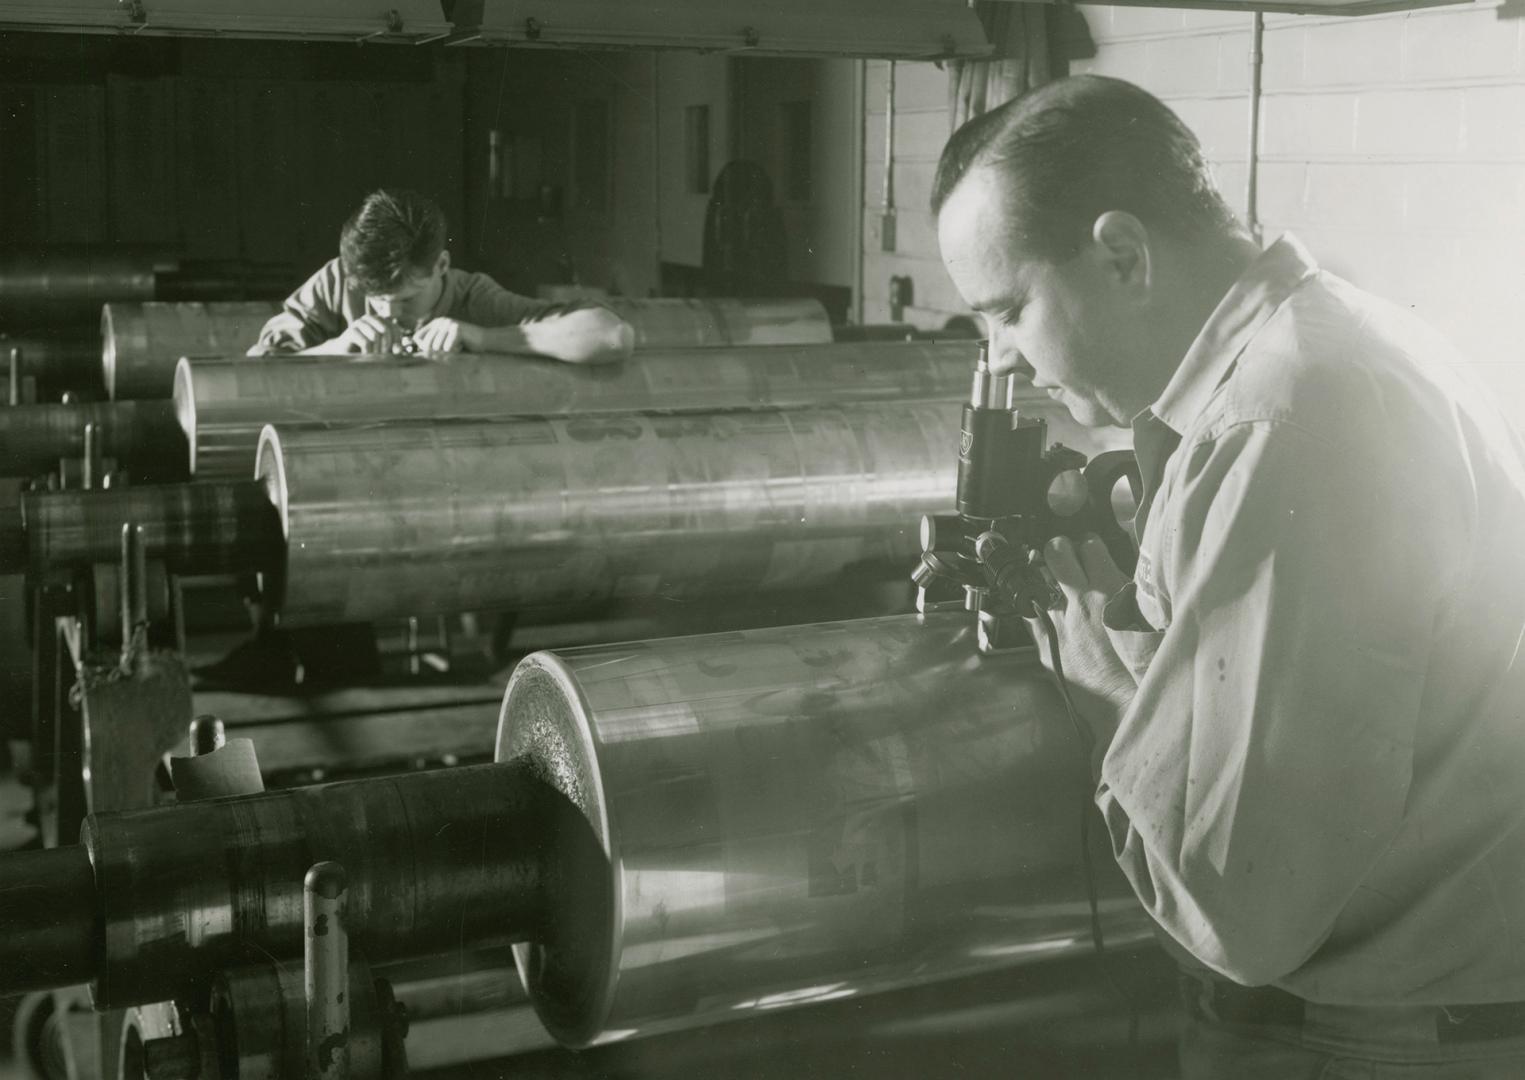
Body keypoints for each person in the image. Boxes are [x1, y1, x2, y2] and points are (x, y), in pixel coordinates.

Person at [933, 74, 1525, 1077]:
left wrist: (1091, 660)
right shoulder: (1324, 348)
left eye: (1009, 312)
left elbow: (1243, 904)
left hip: (1371, 1044)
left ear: (1122, 253)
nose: (1007, 357)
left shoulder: (1280, 420)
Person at [249, 188, 633, 362]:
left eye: (406, 300)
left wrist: (479, 337)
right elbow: (255, 372)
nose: (388, 317)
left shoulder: (474, 296)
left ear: (442, 266)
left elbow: (612, 336)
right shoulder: (337, 280)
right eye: (375, 300)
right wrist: (336, 349)